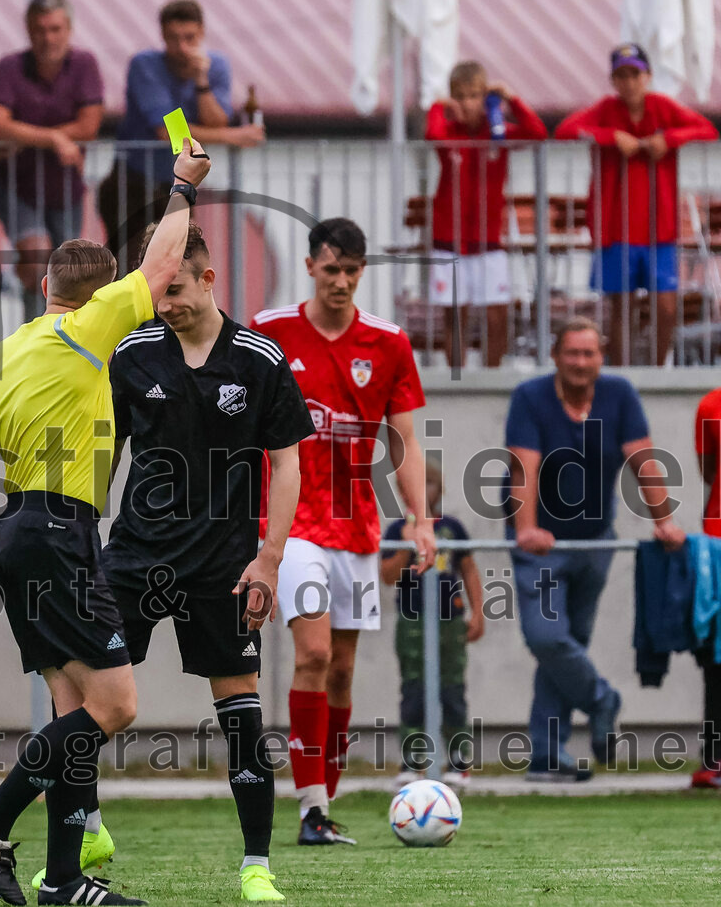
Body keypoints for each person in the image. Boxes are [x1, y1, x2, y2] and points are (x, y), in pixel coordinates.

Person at [0, 137, 212, 907]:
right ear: (93, 299)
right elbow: (159, 267)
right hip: (61, 533)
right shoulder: (85, 331)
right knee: (116, 706)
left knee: (70, 707)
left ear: (47, 285)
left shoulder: (1, 353)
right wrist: (181, 185)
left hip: (13, 536)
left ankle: (61, 878)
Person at [28, 221, 313, 902]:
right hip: (132, 557)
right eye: (159, 292)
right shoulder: (132, 353)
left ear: (210, 280)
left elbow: (287, 464)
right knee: (85, 698)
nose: (167, 302)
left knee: (241, 713)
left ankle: (256, 866)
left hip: (224, 565)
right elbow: (104, 448)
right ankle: (87, 828)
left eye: (178, 289)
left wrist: (268, 561)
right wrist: (78, 532)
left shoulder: (259, 360)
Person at [251, 217, 436, 844]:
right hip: (292, 524)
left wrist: (421, 518)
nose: (342, 281)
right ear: (309, 267)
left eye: (352, 270)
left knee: (342, 672)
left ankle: (321, 805)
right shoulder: (271, 331)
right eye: (331, 269)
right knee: (315, 653)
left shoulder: (387, 344)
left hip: (357, 528)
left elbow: (405, 438)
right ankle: (307, 808)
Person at [505, 318, 685, 782]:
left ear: (601, 357)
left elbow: (643, 461)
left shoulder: (619, 395)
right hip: (542, 547)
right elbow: (522, 469)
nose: (581, 363)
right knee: (547, 638)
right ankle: (603, 700)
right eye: (572, 354)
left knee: (568, 645)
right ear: (556, 356)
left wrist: (663, 521)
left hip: (595, 541)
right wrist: (527, 530)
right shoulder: (531, 398)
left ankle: (547, 755)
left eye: (589, 354)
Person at [555, 43, 718, 366]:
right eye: (621, 75)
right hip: (616, 227)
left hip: (661, 228)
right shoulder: (605, 110)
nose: (629, 82)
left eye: (635, 74)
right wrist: (612, 137)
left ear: (648, 77)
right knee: (621, 307)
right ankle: (620, 372)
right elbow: (565, 130)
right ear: (613, 80)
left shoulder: (663, 107)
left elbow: (707, 129)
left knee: (667, 306)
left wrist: (669, 139)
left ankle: (656, 368)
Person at [98, 0, 264, 271]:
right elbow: (169, 132)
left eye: (190, 38)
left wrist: (201, 82)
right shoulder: (145, 65)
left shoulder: (214, 66)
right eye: (174, 38)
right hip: (133, 182)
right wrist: (234, 136)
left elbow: (217, 121)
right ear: (162, 36)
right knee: (130, 269)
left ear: (202, 34)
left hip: (177, 184)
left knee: (179, 265)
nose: (182, 47)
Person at [0, 0, 104, 317]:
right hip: (17, 184)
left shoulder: (84, 64)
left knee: (67, 272)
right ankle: (36, 331)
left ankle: (60, 337)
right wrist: (54, 138)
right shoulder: (10, 67)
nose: (48, 38)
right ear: (28, 30)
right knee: (38, 256)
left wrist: (25, 134)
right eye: (40, 29)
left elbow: (89, 125)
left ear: (69, 30)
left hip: (66, 188)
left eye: (55, 29)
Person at [425, 60, 547, 368]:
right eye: (461, 96)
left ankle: (492, 374)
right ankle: (459, 377)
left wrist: (511, 99)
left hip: (488, 237)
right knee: (455, 314)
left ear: (486, 97)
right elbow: (433, 134)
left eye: (475, 95)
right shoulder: (449, 132)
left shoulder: (498, 133)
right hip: (448, 237)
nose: (468, 103)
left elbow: (537, 132)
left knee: (496, 314)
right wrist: (438, 107)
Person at [381, 461, 484, 789]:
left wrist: (477, 612)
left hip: (449, 620)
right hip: (411, 621)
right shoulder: (396, 530)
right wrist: (407, 545)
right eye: (414, 486)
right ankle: (413, 761)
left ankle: (458, 761)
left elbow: (468, 569)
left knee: (452, 689)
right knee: (413, 689)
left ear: (439, 489)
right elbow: (387, 576)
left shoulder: (451, 528)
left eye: (429, 485)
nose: (422, 492)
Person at [692, 388, 721, 788]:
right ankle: (714, 759)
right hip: (719, 542)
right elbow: (708, 469)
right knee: (718, 657)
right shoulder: (712, 404)